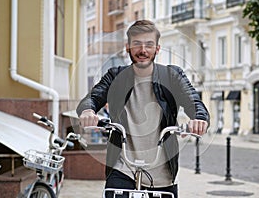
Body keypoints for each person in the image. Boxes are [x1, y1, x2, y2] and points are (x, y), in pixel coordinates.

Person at [76, 20, 210, 198]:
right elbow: (92, 98)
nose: (143, 50)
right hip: (123, 168)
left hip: (162, 172)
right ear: (128, 48)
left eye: (149, 44)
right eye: (137, 44)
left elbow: (194, 102)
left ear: (157, 48)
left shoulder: (172, 76)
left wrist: (199, 119)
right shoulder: (115, 76)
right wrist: (87, 111)